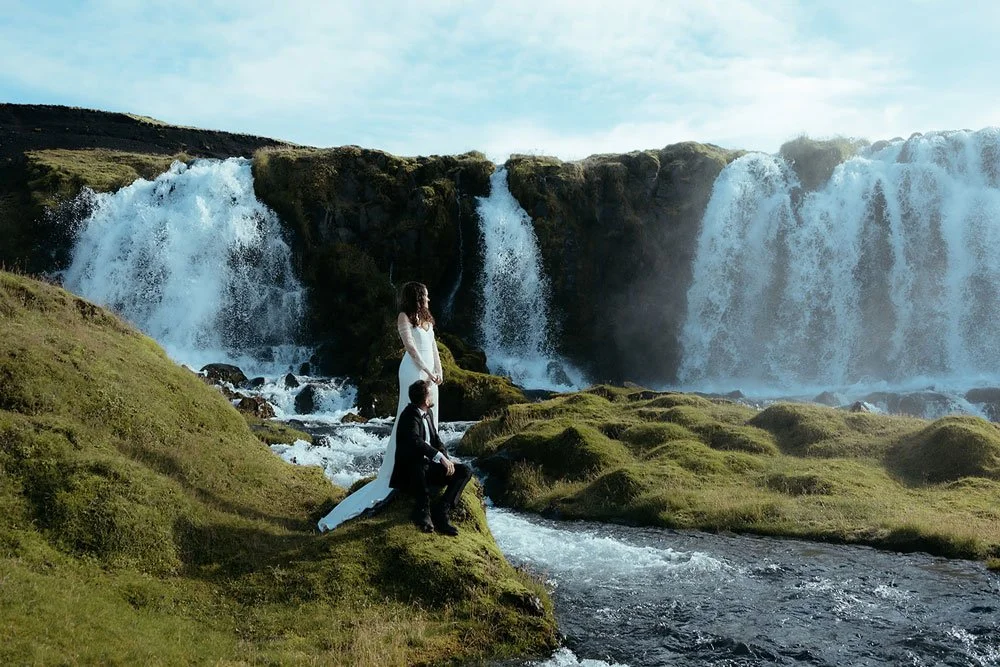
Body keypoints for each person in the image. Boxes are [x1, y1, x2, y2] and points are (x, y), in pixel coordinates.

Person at [317, 282, 446, 532]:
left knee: (431, 418)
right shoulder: (404, 317)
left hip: (431, 374)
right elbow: (410, 348)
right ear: (417, 297)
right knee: (409, 419)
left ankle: (429, 465)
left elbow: (433, 347)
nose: (429, 298)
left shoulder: (428, 318)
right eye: (426, 295)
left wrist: (438, 370)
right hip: (414, 372)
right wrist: (427, 370)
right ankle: (404, 471)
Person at [391, 379, 471, 535]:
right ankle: (423, 511)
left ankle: (443, 510)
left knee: (465, 471)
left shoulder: (428, 413)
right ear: (426, 399)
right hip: (412, 472)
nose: (433, 397)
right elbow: (415, 441)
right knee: (419, 465)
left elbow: (436, 440)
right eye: (431, 394)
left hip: (430, 468)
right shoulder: (409, 415)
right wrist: (440, 457)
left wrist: (446, 460)